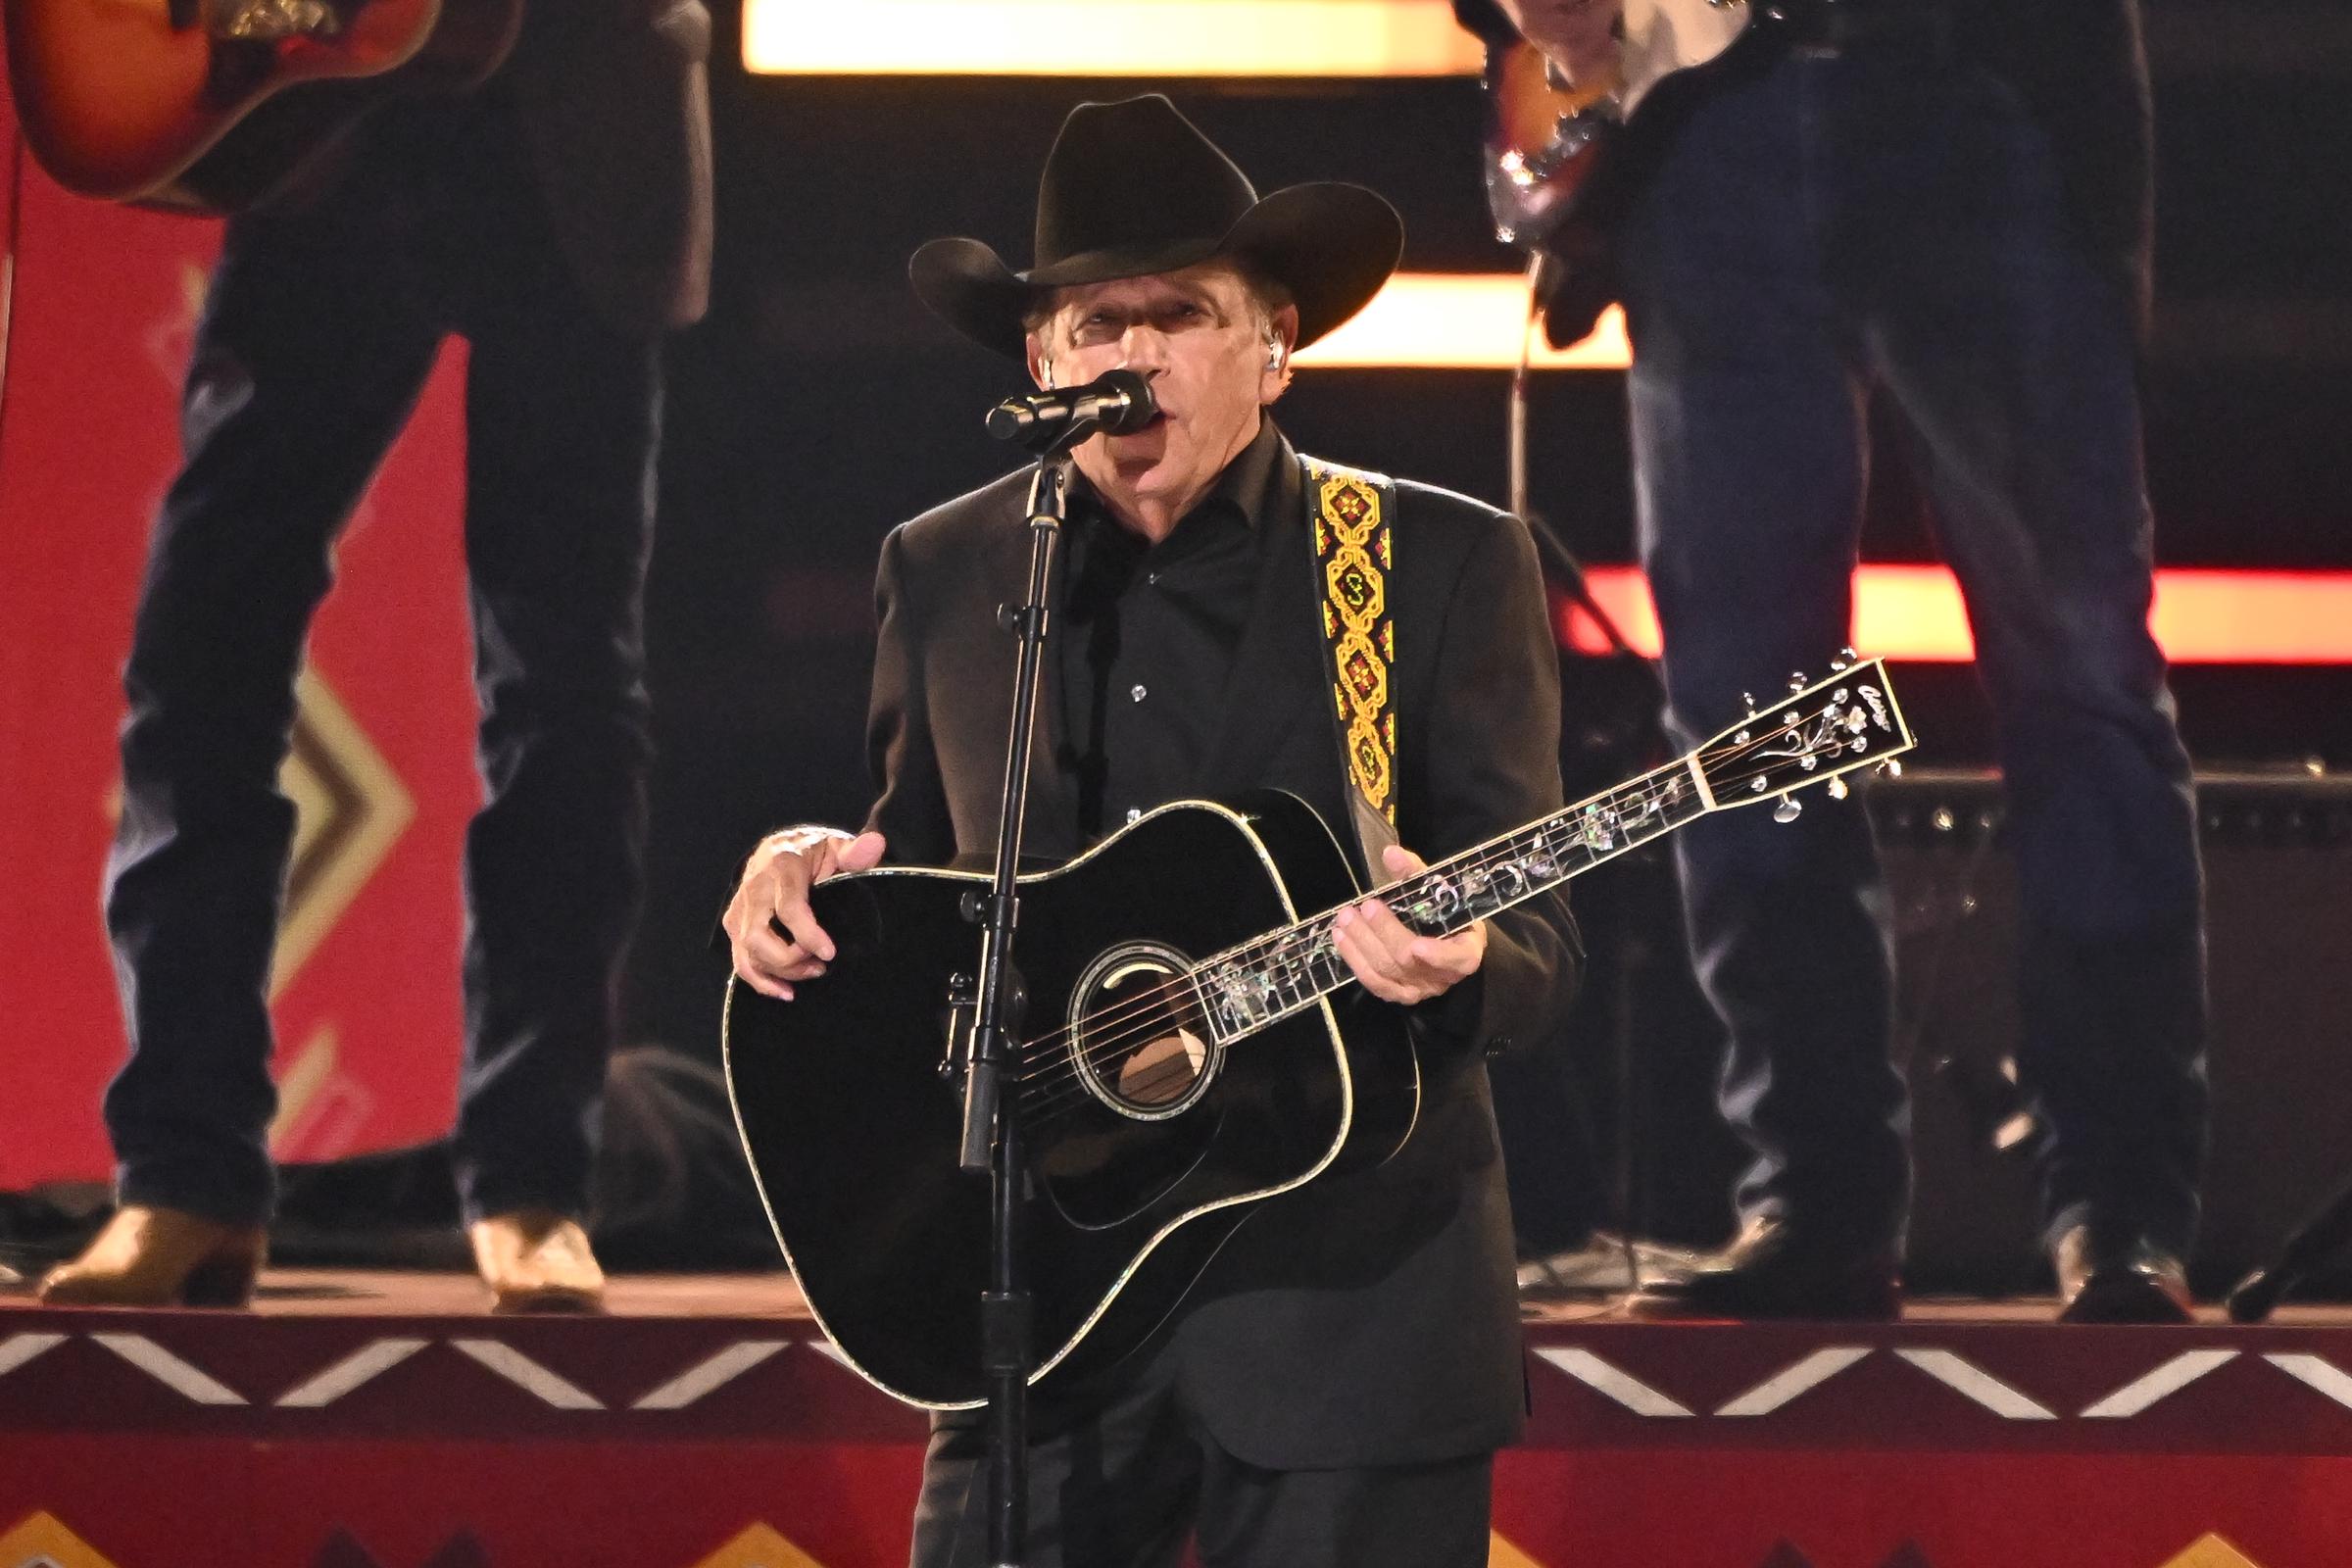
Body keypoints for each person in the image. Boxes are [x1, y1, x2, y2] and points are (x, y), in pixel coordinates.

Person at [723, 94, 1581, 1567]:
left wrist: (1467, 956)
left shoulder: (1435, 563)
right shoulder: (945, 569)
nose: (1130, 357)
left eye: (1176, 313)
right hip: (1040, 1315)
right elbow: (914, 876)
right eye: (1088, 325)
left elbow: (1545, 936)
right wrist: (797, 872)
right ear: (1043, 361)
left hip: (1350, 1317)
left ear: (1274, 341)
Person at [1468, 0, 2206, 1321]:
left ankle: (2122, 1203)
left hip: (1976, 94)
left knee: (2075, 672)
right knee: (1748, 709)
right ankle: (1813, 1196)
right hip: (1708, 134)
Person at [38, 1, 715, 1313]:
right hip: (319, 137)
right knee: (203, 643)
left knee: (565, 685)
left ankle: (533, 1184)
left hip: (578, 130)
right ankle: (185, 1178)